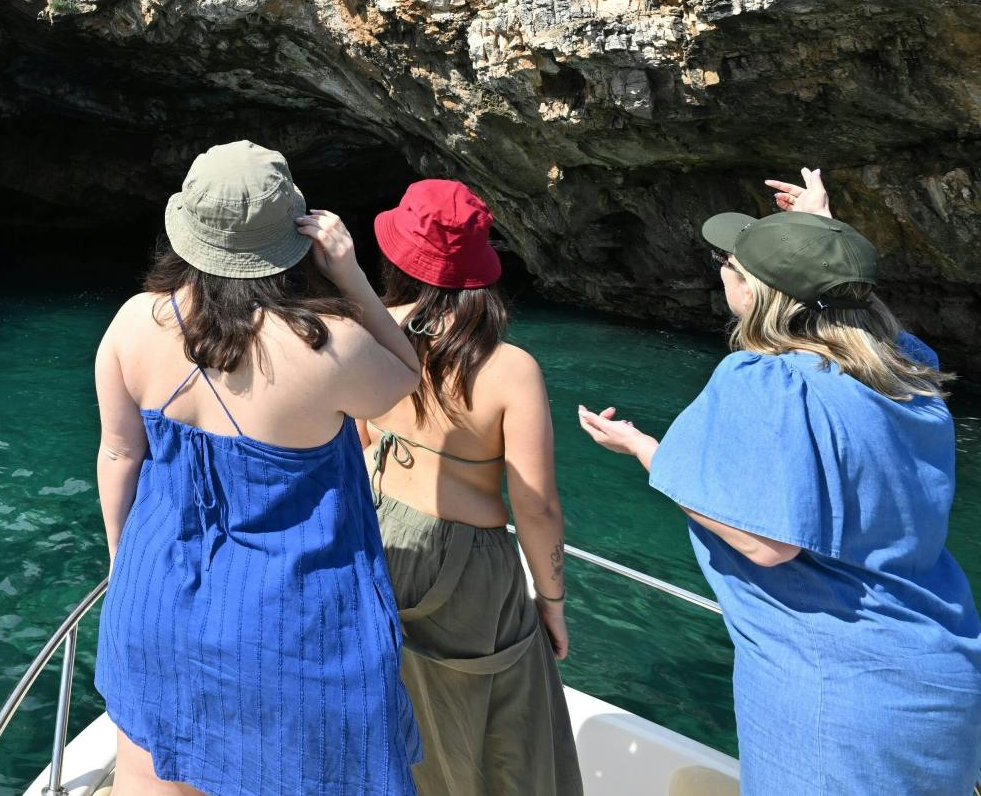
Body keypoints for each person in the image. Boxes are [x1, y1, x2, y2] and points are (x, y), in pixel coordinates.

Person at [579, 168, 981, 795]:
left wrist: (646, 450)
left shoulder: (765, 381)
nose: (722, 270)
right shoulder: (912, 369)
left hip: (833, 692)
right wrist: (819, 234)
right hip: (939, 672)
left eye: (729, 263)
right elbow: (844, 301)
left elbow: (767, 542)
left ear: (753, 291)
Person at [93, 140, 427, 795]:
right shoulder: (324, 344)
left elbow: (119, 455)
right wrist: (351, 273)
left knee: (151, 769)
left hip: (151, 597)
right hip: (289, 631)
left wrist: (122, 569)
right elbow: (406, 376)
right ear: (292, 238)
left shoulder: (134, 322)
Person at [362, 180, 581, 796]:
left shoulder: (370, 331)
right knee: (503, 720)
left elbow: (355, 444)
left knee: (393, 694)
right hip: (467, 564)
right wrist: (552, 602)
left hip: (377, 533)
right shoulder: (509, 367)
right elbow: (535, 506)